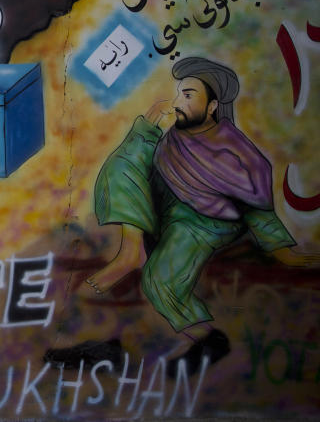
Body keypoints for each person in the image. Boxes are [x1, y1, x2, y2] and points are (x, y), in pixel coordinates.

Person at [47, 57, 320, 375]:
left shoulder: (238, 155)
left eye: (188, 95)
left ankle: (206, 338)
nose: (178, 103)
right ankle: (130, 253)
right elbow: (148, 168)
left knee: (159, 280)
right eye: (180, 94)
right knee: (122, 163)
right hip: (167, 204)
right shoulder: (177, 138)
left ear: (213, 105)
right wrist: (147, 127)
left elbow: (255, 205)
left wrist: (281, 250)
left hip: (203, 222)